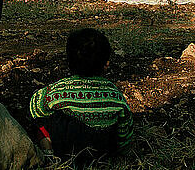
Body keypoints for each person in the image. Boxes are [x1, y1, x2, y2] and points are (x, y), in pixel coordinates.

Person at [29, 28, 133, 164]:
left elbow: (34, 108)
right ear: (106, 64)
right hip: (101, 155)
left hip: (64, 152)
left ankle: (49, 154)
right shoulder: (115, 96)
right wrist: (122, 152)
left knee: (42, 121)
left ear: (69, 61)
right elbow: (125, 132)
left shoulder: (57, 91)